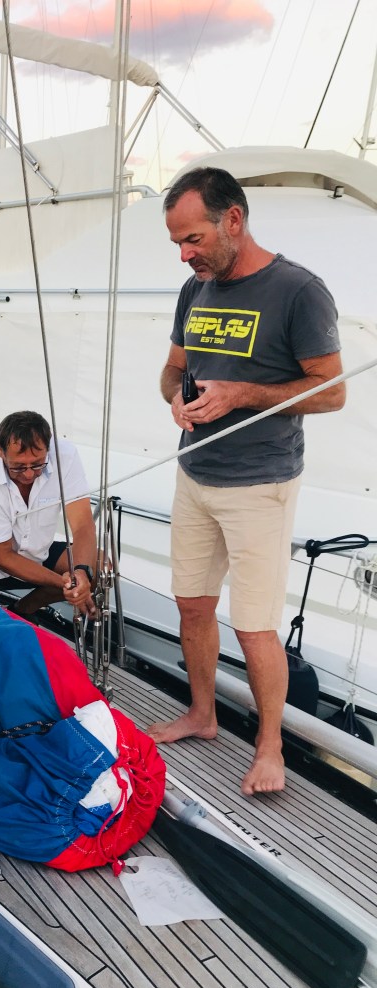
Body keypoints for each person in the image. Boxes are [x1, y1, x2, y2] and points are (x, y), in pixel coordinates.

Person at [149, 166, 345, 797]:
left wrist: (241, 395)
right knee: (192, 603)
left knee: (254, 625)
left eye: (194, 238)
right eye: (178, 242)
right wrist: (175, 400)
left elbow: (332, 391)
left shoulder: (299, 291)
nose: (186, 254)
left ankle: (270, 748)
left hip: (260, 484)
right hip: (194, 473)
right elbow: (173, 368)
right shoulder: (194, 289)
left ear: (233, 219)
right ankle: (202, 714)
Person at [0, 410, 97, 619]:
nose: (29, 474)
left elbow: (83, 524)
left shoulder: (65, 456)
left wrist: (82, 572)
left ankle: (23, 610)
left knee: (99, 566)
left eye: (38, 464)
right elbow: (3, 557)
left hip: (36, 552)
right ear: (0, 452)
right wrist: (67, 583)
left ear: (48, 448)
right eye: (18, 467)